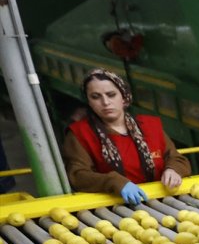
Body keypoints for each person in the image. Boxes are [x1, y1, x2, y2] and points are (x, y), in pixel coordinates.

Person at [62, 69, 191, 205]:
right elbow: (78, 175)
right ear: (88, 101)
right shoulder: (80, 134)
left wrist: (173, 169)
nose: (105, 102)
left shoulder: (150, 126)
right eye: (95, 97)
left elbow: (176, 158)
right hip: (113, 207)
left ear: (124, 97)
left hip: (162, 200)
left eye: (111, 95)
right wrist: (114, 182)